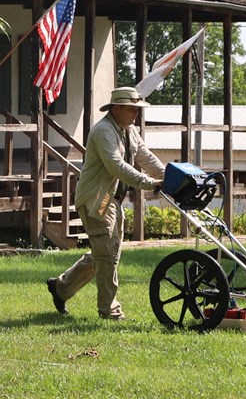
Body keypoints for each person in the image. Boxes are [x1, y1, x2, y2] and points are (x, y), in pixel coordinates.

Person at [47, 86, 166, 320]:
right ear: (117, 107)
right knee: (107, 255)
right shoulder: (103, 131)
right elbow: (116, 166)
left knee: (105, 254)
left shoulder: (129, 130)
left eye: (137, 109)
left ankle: (61, 287)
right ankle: (109, 311)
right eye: (132, 109)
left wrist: (169, 178)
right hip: (95, 199)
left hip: (111, 199)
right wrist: (151, 183)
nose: (136, 114)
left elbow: (145, 156)